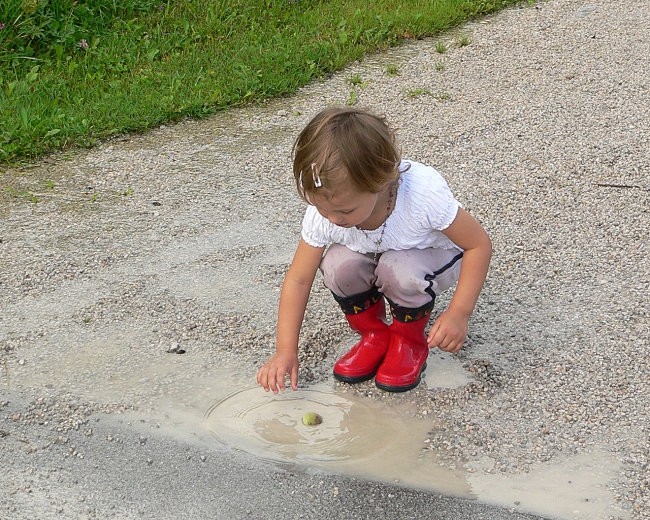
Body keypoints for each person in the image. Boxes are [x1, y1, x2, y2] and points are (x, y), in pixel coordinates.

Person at [256, 106, 492, 394]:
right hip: (382, 254)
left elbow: (478, 244)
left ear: (382, 182)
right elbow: (299, 278)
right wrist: (285, 350)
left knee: (398, 268)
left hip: (431, 257)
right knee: (336, 264)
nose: (331, 219)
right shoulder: (328, 211)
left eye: (344, 210)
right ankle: (375, 334)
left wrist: (458, 313)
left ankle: (409, 342)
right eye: (320, 207)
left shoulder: (422, 196)